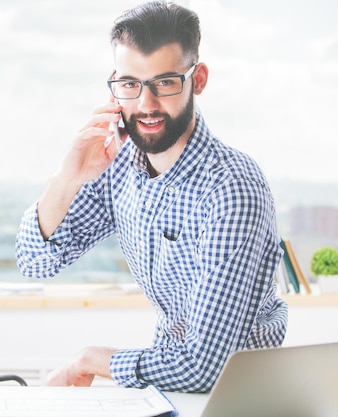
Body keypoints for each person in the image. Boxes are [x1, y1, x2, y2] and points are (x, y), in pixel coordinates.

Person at [15, 1, 288, 393]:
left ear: (199, 79)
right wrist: (66, 178)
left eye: (164, 83)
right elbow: (34, 263)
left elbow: (206, 366)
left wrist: (91, 359)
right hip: (169, 389)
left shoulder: (232, 188)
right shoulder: (121, 165)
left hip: (241, 399)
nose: (145, 105)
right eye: (130, 84)